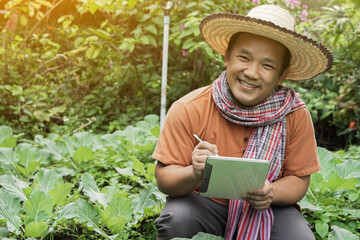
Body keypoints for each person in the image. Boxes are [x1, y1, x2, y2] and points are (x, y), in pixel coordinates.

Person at [153, 4, 333, 240]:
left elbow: (299, 180)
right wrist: (195, 172)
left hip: (268, 209)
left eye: (267, 65)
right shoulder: (189, 108)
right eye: (243, 57)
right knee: (177, 220)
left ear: (282, 75)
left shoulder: (295, 114)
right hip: (204, 205)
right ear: (227, 56)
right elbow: (164, 178)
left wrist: (271, 192)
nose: (251, 72)